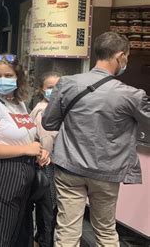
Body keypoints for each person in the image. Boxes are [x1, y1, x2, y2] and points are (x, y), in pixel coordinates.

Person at [42, 31, 150, 247]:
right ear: (120, 56)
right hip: (106, 172)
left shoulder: (67, 83)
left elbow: (48, 123)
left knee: (67, 230)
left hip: (69, 168)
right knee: (106, 231)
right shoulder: (131, 94)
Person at [0, 54, 48, 246]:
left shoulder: (18, 104)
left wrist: (39, 150)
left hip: (20, 181)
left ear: (18, 78)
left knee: (18, 239)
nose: (2, 80)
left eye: (8, 75)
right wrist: (26, 149)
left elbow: (26, 137)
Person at [29, 71, 61, 247]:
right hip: (47, 166)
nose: (54, 91)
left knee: (46, 212)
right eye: (50, 87)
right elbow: (47, 141)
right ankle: (43, 242)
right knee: (48, 212)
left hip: (45, 165)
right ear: (42, 89)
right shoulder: (44, 110)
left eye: (58, 87)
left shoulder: (52, 108)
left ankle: (39, 240)